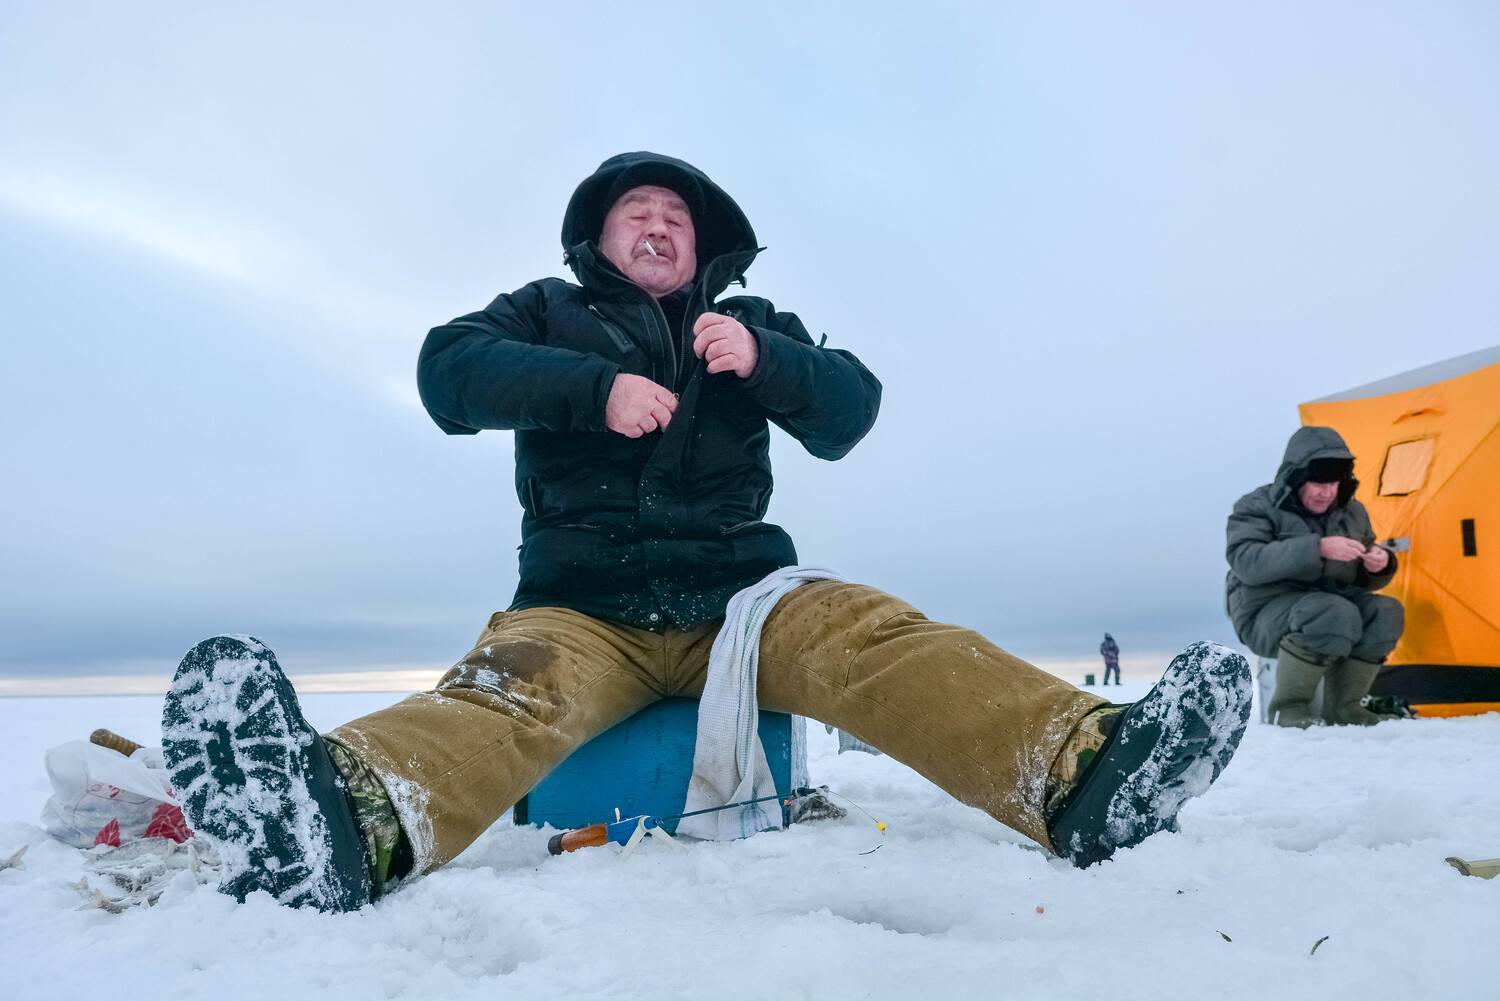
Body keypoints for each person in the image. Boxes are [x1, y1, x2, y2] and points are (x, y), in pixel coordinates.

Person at [160, 152, 1252, 912]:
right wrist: (594, 389)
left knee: (876, 635)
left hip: (746, 605)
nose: (657, 226)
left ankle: (1083, 772)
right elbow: (446, 374)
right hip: (580, 609)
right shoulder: (543, 312)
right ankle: (341, 820)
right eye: (636, 212)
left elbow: (851, 411)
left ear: (703, 247)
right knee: (507, 694)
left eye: (676, 219)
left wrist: (765, 359)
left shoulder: (753, 323)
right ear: (598, 238)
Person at [1225, 426, 1404, 727]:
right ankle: (1288, 711)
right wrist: (1317, 548)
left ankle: (1345, 709)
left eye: (1333, 482)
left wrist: (1379, 565)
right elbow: (1246, 561)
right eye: (1318, 482)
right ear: (1296, 478)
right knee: (1331, 611)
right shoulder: (1256, 506)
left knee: (1385, 612)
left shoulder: (1353, 511)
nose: (1327, 492)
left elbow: (1362, 572)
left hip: (1332, 609)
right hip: (1263, 612)